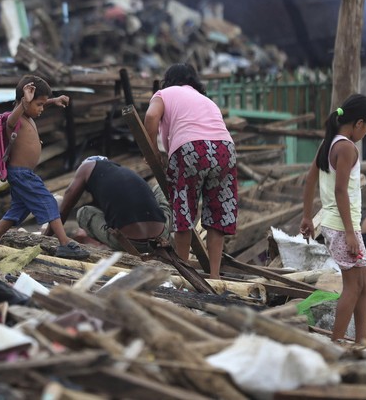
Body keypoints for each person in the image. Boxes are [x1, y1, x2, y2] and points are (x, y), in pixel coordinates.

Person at [143, 63, 237, 279]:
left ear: (168, 80)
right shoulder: (206, 100)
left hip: (191, 148)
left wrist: (152, 152)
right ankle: (215, 276)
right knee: (218, 215)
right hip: (225, 149)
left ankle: (184, 273)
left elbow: (149, 117)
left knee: (183, 211)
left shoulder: (164, 93)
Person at [300, 93, 366, 343]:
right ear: (359, 124)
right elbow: (340, 190)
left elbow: (310, 179)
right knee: (354, 286)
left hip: (339, 225)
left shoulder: (330, 144)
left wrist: (307, 217)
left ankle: (361, 340)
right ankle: (336, 342)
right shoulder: (346, 147)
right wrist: (351, 233)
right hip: (343, 227)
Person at [0, 75, 90, 259]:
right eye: (39, 104)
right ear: (24, 102)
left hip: (22, 174)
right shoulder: (14, 119)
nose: (42, 108)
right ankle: (64, 242)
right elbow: (11, 120)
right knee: (48, 201)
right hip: (21, 174)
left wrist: (54, 100)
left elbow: (34, 104)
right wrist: (26, 101)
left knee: (17, 210)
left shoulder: (27, 113)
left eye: (43, 104)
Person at [48, 156, 172, 253]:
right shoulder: (122, 172)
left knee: (83, 212)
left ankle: (115, 246)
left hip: (131, 243)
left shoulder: (86, 168)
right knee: (159, 188)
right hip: (161, 236)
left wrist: (45, 238)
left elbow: (64, 208)